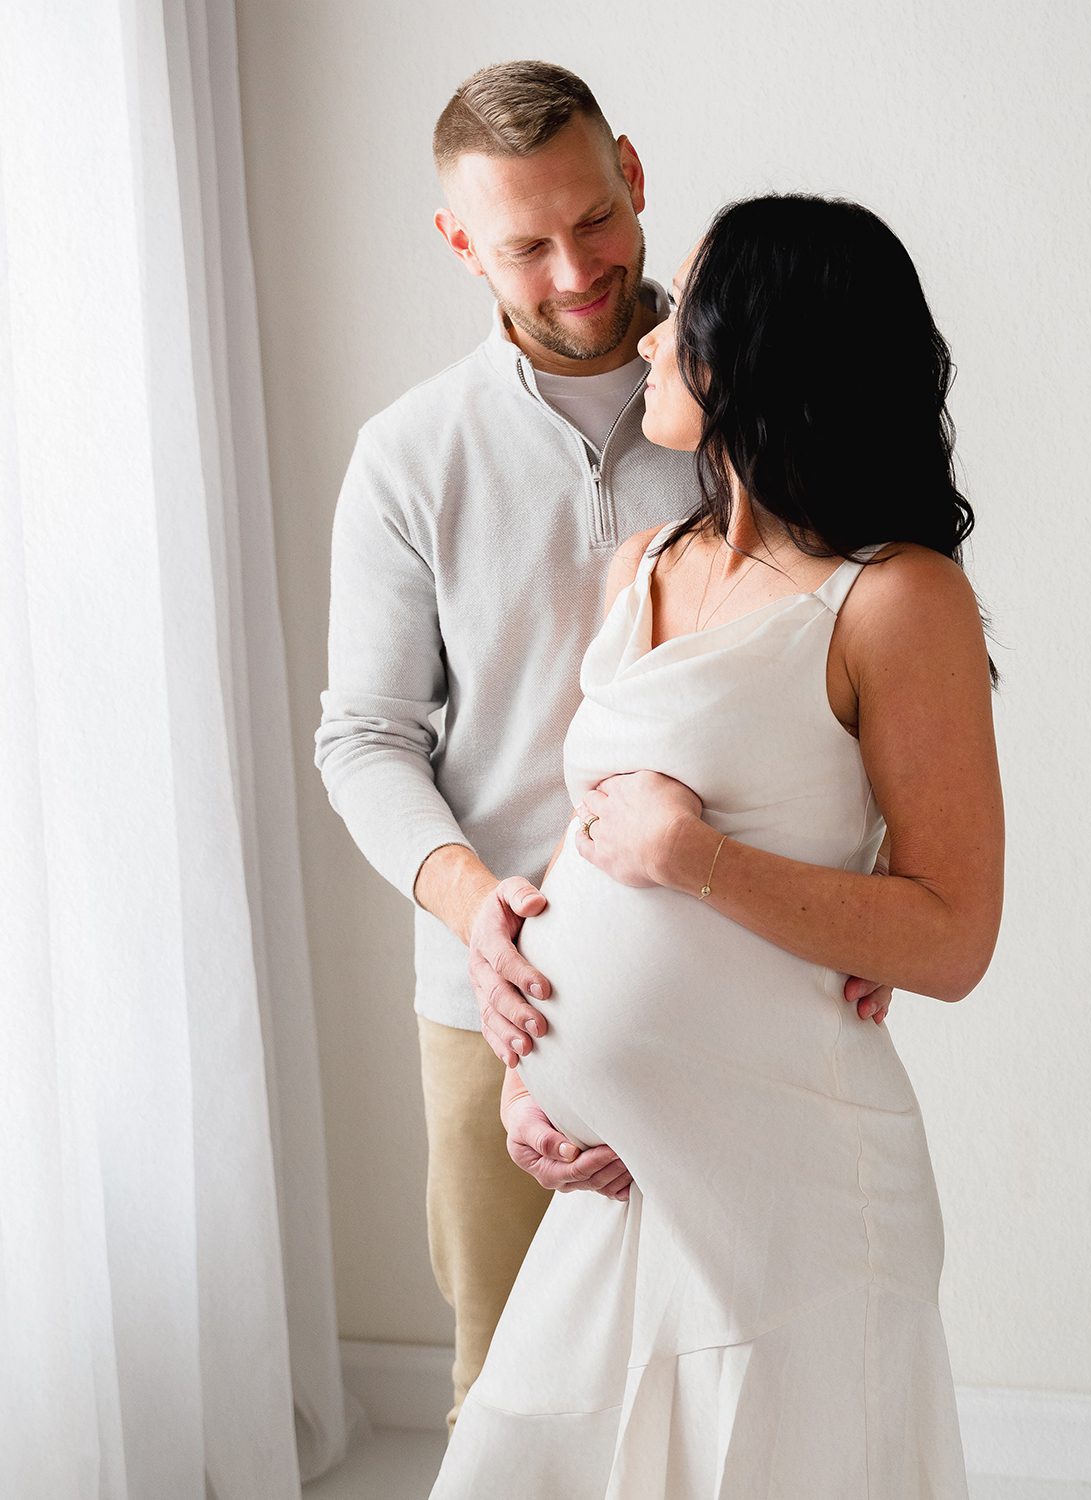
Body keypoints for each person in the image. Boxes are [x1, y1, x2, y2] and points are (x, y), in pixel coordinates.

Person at [313, 59, 891, 1434]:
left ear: (633, 174)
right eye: (523, 242)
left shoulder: (745, 398)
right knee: (516, 1404)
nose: (575, 267)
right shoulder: (409, 458)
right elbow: (366, 738)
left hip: (742, 983)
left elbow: (862, 649)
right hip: (496, 1000)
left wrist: (869, 885)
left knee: (744, 1396)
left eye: (594, 219)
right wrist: (480, 907)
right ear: (461, 244)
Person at [428, 194, 1004, 1498]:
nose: (647, 336)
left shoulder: (897, 599)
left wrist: (699, 861)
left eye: (681, 311)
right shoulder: (647, 560)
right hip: (627, 1180)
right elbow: (593, 851)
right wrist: (539, 1071)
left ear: (763, 346)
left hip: (790, 1189)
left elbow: (954, 936)